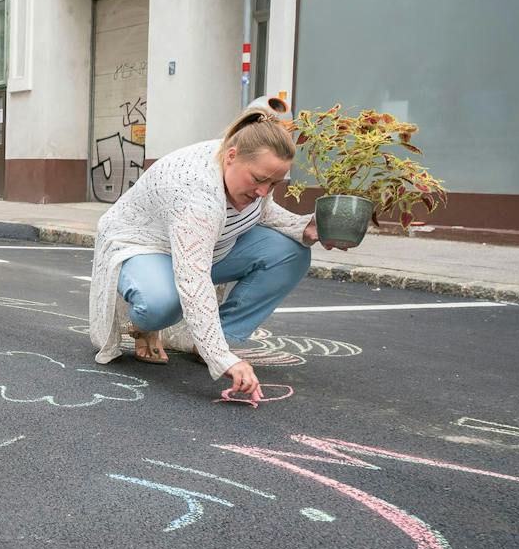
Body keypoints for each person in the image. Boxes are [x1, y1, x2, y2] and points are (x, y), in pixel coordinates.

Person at [88, 108, 348, 397]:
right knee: (162, 304)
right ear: (231, 156)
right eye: (259, 180)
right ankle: (145, 326)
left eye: (273, 184)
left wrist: (303, 227)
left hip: (207, 246)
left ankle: (206, 340)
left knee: (290, 252)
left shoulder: (249, 167)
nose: (264, 191)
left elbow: (261, 211)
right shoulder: (196, 193)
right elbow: (193, 279)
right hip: (145, 245)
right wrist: (222, 360)